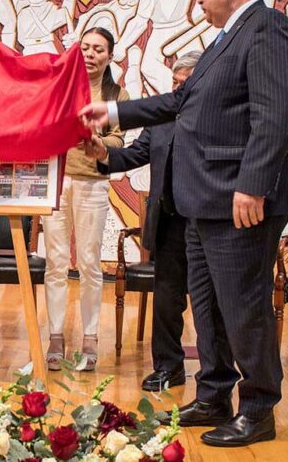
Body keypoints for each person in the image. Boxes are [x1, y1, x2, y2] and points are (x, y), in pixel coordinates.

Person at [80, 0, 288, 447]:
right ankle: (213, 393)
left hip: (239, 199)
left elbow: (278, 113)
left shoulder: (267, 29)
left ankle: (260, 408)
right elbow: (181, 101)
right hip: (204, 202)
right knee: (208, 307)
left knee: (244, 307)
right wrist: (113, 115)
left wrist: (253, 183)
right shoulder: (224, 38)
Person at [85, 51, 201, 391]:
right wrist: (103, 154)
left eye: (185, 83)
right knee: (167, 300)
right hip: (168, 221)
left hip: (206, 220)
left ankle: (215, 372)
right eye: (174, 83)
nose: (178, 89)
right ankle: (168, 367)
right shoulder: (162, 119)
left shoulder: (214, 117)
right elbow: (135, 154)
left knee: (211, 303)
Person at [43, 27, 127, 372]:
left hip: (93, 183)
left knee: (90, 263)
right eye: (85, 48)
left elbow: (120, 142)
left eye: (98, 50)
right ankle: (56, 335)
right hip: (57, 181)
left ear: (109, 56)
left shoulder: (116, 94)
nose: (90, 54)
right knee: (55, 262)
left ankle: (90, 337)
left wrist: (100, 144)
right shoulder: (59, 89)